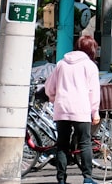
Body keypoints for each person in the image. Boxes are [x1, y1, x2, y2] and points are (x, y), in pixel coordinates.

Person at [44, 35, 100, 184]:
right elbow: (93, 92)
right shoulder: (90, 66)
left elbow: (50, 87)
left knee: (62, 144)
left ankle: (61, 179)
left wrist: (53, 98)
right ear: (91, 50)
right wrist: (95, 112)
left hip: (62, 108)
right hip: (81, 110)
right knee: (85, 143)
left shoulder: (61, 63)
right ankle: (87, 178)